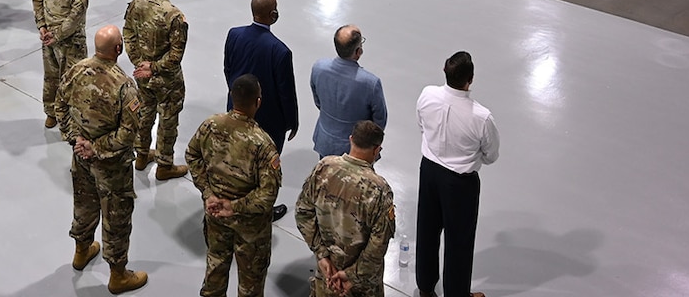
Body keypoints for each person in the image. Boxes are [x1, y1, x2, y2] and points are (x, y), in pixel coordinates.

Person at [55, 24, 148, 294]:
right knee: (116, 217)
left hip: (80, 158)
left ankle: (81, 251)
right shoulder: (124, 86)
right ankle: (118, 275)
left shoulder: (75, 70)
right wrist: (96, 148)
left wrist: (76, 141)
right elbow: (128, 132)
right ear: (119, 49)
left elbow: (59, 104)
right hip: (112, 167)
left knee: (84, 203)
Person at [185, 74, 282, 297]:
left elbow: (192, 155)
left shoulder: (211, 125)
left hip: (215, 214)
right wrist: (235, 206)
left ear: (232, 97)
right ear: (258, 102)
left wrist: (208, 193)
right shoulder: (262, 144)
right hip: (250, 228)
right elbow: (268, 194)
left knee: (216, 265)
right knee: (251, 281)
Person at [416, 51, 498, 297]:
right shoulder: (481, 117)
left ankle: (425, 286)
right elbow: (491, 155)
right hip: (460, 183)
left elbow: (422, 126)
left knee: (427, 230)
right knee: (459, 241)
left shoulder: (426, 95)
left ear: (444, 71)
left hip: (429, 171)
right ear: (470, 80)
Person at [296, 120, 396, 297]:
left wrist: (322, 255)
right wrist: (351, 276)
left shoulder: (323, 168)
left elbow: (303, 213)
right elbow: (378, 246)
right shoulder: (379, 190)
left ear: (351, 140)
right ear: (377, 150)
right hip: (361, 286)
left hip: (327, 275)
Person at [223, 0, 298, 220]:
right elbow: (286, 92)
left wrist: (237, 97)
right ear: (272, 15)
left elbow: (228, 68)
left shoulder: (234, 35)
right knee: (265, 168)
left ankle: (238, 198)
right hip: (267, 120)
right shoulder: (280, 51)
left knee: (238, 157)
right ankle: (261, 209)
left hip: (236, 108)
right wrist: (291, 122)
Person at [124, 0, 188, 179]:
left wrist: (138, 62)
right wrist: (154, 67)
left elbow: (128, 33)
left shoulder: (137, 2)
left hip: (142, 75)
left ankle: (141, 155)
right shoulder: (174, 16)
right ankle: (164, 165)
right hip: (167, 81)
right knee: (168, 119)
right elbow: (175, 56)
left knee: (144, 112)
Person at [310, 25, 387, 158]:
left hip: (325, 141)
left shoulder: (318, 67)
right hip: (356, 150)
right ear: (358, 52)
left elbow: (318, 102)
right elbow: (379, 120)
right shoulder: (370, 83)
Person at [35, 0, 89, 122]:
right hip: (70, 41)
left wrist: (42, 26)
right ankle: (70, 119)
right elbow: (75, 18)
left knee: (51, 76)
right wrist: (57, 36)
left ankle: (51, 114)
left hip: (47, 36)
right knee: (74, 79)